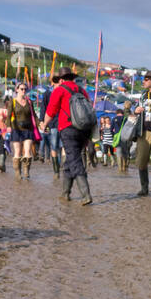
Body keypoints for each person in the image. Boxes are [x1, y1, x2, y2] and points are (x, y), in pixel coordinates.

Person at [43, 69, 94, 205]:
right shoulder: (82, 90)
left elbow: (51, 110)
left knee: (74, 160)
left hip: (68, 128)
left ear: (61, 79)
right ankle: (65, 193)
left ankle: (86, 194)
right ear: (72, 78)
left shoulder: (59, 90)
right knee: (70, 160)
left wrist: (44, 124)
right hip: (84, 129)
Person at [8, 83, 39, 180]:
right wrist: (8, 126)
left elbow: (34, 115)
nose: (24, 91)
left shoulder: (29, 102)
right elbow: (8, 116)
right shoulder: (12, 102)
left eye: (25, 89)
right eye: (21, 89)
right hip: (16, 129)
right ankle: (18, 172)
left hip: (28, 129)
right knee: (17, 152)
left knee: (28, 151)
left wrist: (41, 124)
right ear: (17, 90)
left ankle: (26, 171)